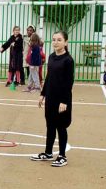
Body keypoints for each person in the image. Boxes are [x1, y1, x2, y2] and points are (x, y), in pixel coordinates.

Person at [31, 30, 74, 167]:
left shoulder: (68, 60)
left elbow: (69, 82)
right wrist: (42, 94)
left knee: (61, 127)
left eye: (59, 40)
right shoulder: (51, 57)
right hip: (50, 97)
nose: (56, 42)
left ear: (65, 42)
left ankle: (62, 156)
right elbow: (49, 78)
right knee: (50, 126)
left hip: (62, 99)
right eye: (54, 39)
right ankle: (48, 153)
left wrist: (64, 101)